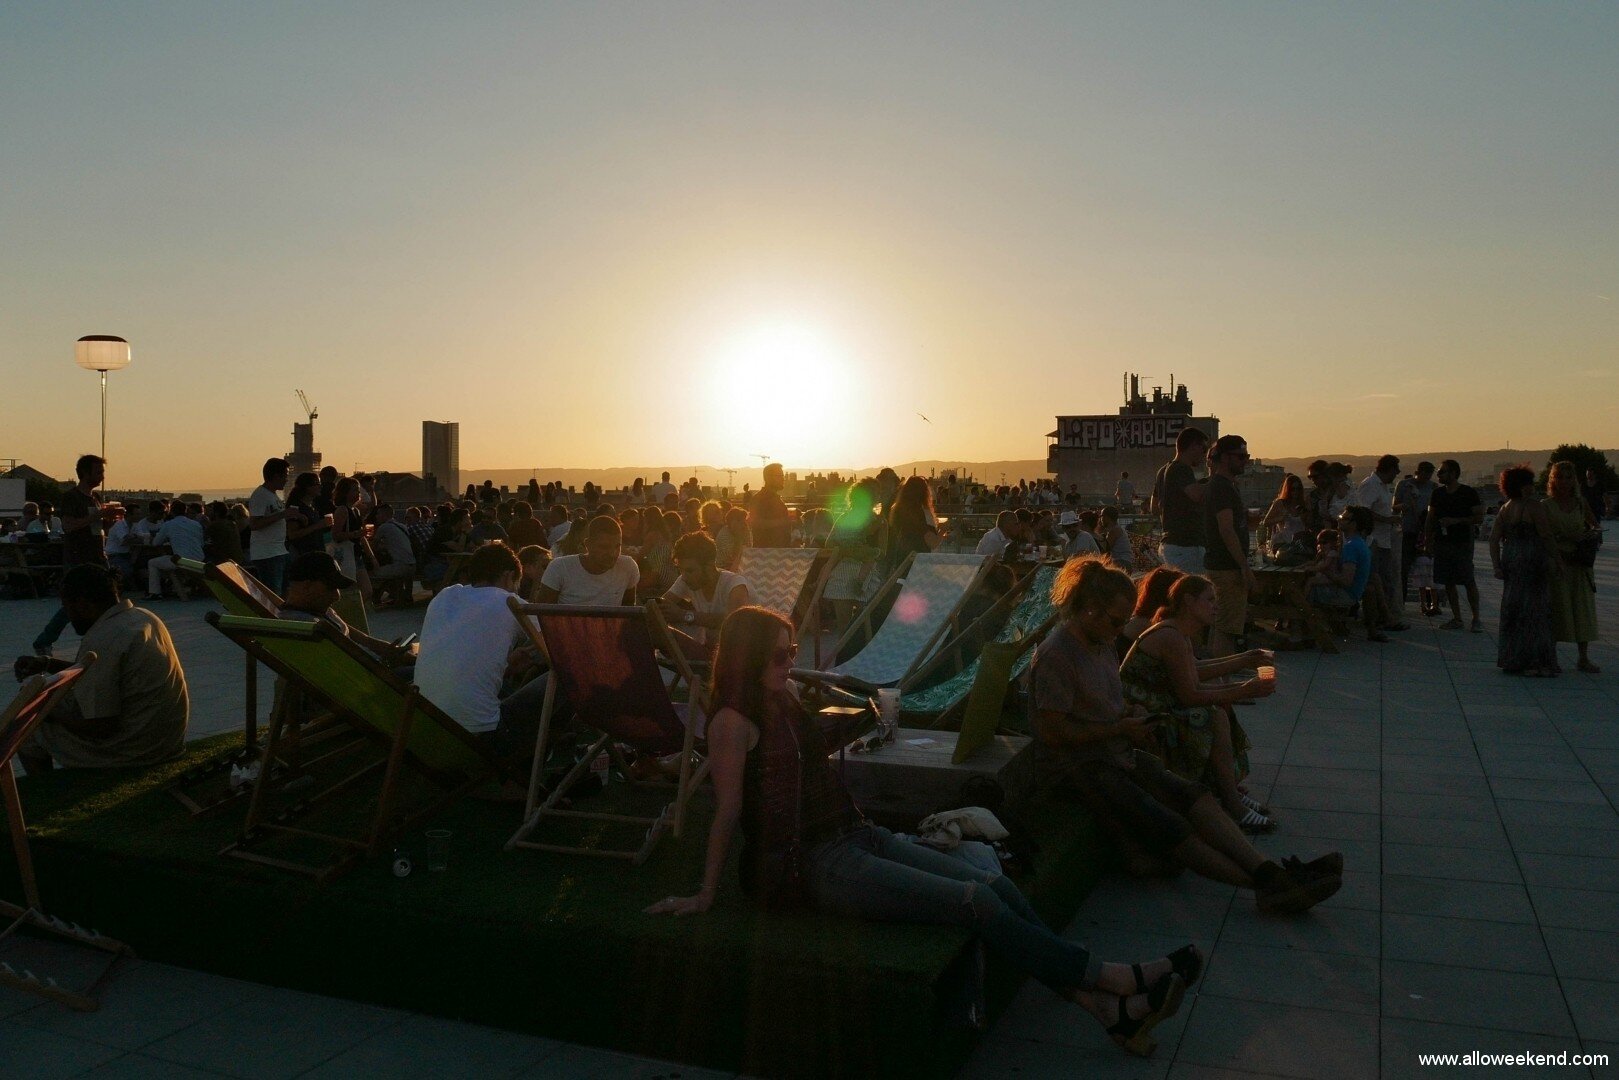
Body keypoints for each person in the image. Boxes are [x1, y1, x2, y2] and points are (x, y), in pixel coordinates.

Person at [646, 605, 1198, 1058]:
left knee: (997, 885)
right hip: (814, 865)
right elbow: (727, 812)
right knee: (973, 898)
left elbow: (808, 755)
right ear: (746, 657)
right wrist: (706, 893)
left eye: (792, 651)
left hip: (856, 834)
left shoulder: (782, 699)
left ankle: (1102, 1008)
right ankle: (1115, 981)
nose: (790, 662)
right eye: (779, 654)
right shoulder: (730, 723)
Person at [1029, 557, 1341, 907]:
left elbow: (1106, 703)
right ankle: (1266, 885)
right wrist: (1120, 727)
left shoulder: (1099, 644)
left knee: (1194, 795)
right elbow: (1053, 732)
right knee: (1170, 825)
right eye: (1117, 621)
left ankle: (1270, 874)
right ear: (1088, 610)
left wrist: (1133, 714)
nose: (1121, 630)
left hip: (1115, 751)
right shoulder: (1058, 656)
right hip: (1079, 768)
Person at [1119, 575, 1276, 831]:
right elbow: (1189, 695)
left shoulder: (1178, 631)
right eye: (1210, 599)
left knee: (1218, 705)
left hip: (1156, 706)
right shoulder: (1170, 635)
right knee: (1213, 714)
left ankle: (1229, 792)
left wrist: (1245, 661)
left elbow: (1193, 672)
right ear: (1189, 602)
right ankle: (1232, 802)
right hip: (1144, 716)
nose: (1215, 606)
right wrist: (1243, 689)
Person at [15, 564, 188, 773]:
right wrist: (48, 663)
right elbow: (100, 671)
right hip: (164, 739)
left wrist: (42, 709)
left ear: (83, 604)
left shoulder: (103, 638)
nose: (68, 618)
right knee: (54, 703)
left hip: (136, 750)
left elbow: (101, 726)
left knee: (26, 725)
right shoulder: (144, 617)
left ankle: (44, 793)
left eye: (67, 608)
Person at [412, 543, 539, 762]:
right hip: (483, 735)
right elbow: (558, 641)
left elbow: (468, 648)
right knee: (563, 677)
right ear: (509, 576)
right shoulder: (510, 602)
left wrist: (507, 664)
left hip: (426, 727)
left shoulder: (445, 596)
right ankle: (535, 760)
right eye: (515, 584)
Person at [32, 455, 110, 658]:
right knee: (74, 603)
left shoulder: (96, 498)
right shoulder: (71, 498)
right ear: (85, 473)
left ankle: (96, 643)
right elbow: (68, 526)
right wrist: (96, 517)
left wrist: (107, 522)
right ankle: (44, 641)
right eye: (98, 471)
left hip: (97, 555)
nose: (102, 475)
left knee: (102, 601)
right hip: (77, 557)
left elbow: (94, 527)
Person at [279, 551, 414, 665]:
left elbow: (365, 640)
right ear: (307, 586)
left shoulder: (318, 610)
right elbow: (349, 664)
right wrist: (386, 660)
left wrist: (395, 653)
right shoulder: (308, 626)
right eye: (331, 588)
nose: (337, 596)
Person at [1489, 466, 1556, 677]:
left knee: (1513, 608)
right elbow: (1546, 536)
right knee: (1535, 611)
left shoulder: (1506, 507)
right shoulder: (1534, 506)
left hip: (1511, 559)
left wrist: (1497, 565)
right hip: (1532, 560)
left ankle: (1513, 658)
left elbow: (1493, 539)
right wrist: (1558, 561)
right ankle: (1535, 661)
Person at [1545, 461, 1601, 673]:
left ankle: (1583, 658)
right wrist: (1562, 537)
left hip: (1579, 563)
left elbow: (1596, 527)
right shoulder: (1546, 506)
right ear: (1553, 479)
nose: (1564, 482)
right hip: (1558, 563)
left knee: (1581, 609)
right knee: (1557, 609)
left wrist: (1586, 536)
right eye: (1560, 477)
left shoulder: (1580, 503)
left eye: (1568, 477)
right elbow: (1543, 535)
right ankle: (1551, 656)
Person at [1305, 507, 1395, 641]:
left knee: (1298, 590)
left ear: (1353, 524)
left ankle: (1299, 635)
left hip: (1344, 595)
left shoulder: (1351, 547)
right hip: (1351, 593)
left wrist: (1325, 570)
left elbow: (1346, 580)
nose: (1339, 519)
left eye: (1344, 518)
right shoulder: (1359, 543)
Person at [1201, 435, 1255, 656]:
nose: (1245, 461)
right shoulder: (1222, 487)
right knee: (1227, 629)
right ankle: (1223, 679)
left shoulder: (1222, 486)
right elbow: (1226, 528)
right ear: (1224, 458)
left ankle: (1218, 678)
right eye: (1240, 456)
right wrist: (1244, 566)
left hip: (1220, 565)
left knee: (1220, 626)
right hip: (1227, 568)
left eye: (1246, 456)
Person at [660, 531, 752, 657]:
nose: (684, 577)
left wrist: (684, 615)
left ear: (709, 566)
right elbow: (661, 604)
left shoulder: (735, 586)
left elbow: (734, 624)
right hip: (711, 653)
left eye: (690, 570)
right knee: (656, 633)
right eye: (680, 570)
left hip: (741, 656)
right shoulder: (687, 579)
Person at [1424, 459, 1484, 632]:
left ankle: (1476, 618)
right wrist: (1428, 541)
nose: (1439, 475)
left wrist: (1456, 521)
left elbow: (1478, 518)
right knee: (1448, 581)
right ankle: (1457, 618)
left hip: (1462, 542)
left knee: (1467, 579)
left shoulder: (1468, 493)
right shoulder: (1437, 494)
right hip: (1442, 543)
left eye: (1442, 472)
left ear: (1453, 473)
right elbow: (1431, 518)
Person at [535, 515, 639, 606]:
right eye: (604, 547)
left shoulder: (628, 567)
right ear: (588, 545)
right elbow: (543, 614)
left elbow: (629, 613)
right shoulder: (560, 567)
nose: (612, 553)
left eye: (617, 546)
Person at [1353, 454, 1406, 620]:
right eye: (1395, 472)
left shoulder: (1382, 486)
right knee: (1378, 579)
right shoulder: (1370, 485)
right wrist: (1387, 519)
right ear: (1389, 470)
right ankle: (1381, 616)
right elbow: (1363, 511)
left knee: (1384, 578)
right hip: (1373, 539)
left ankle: (1383, 614)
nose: (1395, 476)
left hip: (1383, 539)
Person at [1150, 427, 1208, 572]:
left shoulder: (1162, 470)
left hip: (1169, 545)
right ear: (1194, 446)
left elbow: (1154, 508)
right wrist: (1219, 479)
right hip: (1186, 547)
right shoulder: (1182, 469)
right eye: (1203, 448)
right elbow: (1196, 495)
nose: (1205, 454)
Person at [248, 457, 298, 595]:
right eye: (285, 476)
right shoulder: (260, 496)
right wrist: (283, 515)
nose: (287, 480)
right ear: (276, 476)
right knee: (273, 594)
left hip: (279, 551)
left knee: (285, 592)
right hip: (267, 554)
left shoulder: (272, 496)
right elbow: (254, 524)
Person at [1395, 461, 1437, 601]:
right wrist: (1404, 506)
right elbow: (1394, 506)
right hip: (1407, 531)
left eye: (1429, 476)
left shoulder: (1433, 487)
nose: (1426, 479)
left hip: (1426, 533)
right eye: (1424, 475)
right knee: (1404, 569)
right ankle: (1401, 599)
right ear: (1417, 472)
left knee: (1427, 569)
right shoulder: (1404, 485)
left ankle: (1430, 602)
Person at [147, 502, 207, 598]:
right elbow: (201, 544)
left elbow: (156, 543)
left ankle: (155, 593)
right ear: (185, 511)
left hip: (181, 561)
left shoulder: (168, 524)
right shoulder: (196, 524)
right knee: (170, 560)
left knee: (152, 563)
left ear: (171, 511)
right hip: (199, 560)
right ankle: (171, 587)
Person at [887, 476, 945, 570]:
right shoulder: (919, 512)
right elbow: (932, 542)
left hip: (901, 560)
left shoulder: (897, 510)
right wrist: (943, 529)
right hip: (918, 561)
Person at [370, 503, 417, 604]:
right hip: (413, 566)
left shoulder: (384, 527)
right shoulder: (402, 526)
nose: (376, 516)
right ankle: (402, 595)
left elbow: (372, 547)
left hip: (400, 567)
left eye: (378, 514)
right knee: (394, 571)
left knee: (372, 574)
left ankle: (376, 598)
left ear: (384, 515)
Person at [1259, 474, 1311, 563]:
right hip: (1282, 543)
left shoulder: (1304, 503)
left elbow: (1308, 524)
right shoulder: (1280, 503)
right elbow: (1266, 522)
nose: (1295, 492)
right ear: (1287, 489)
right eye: (1292, 489)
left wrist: (1305, 517)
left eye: (1298, 489)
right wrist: (1281, 518)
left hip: (1299, 543)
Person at [748, 463, 793, 548]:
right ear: (768, 478)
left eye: (782, 476)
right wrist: (782, 521)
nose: (783, 479)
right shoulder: (759, 499)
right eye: (779, 476)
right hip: (768, 554)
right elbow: (756, 523)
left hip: (778, 552)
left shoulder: (775, 499)